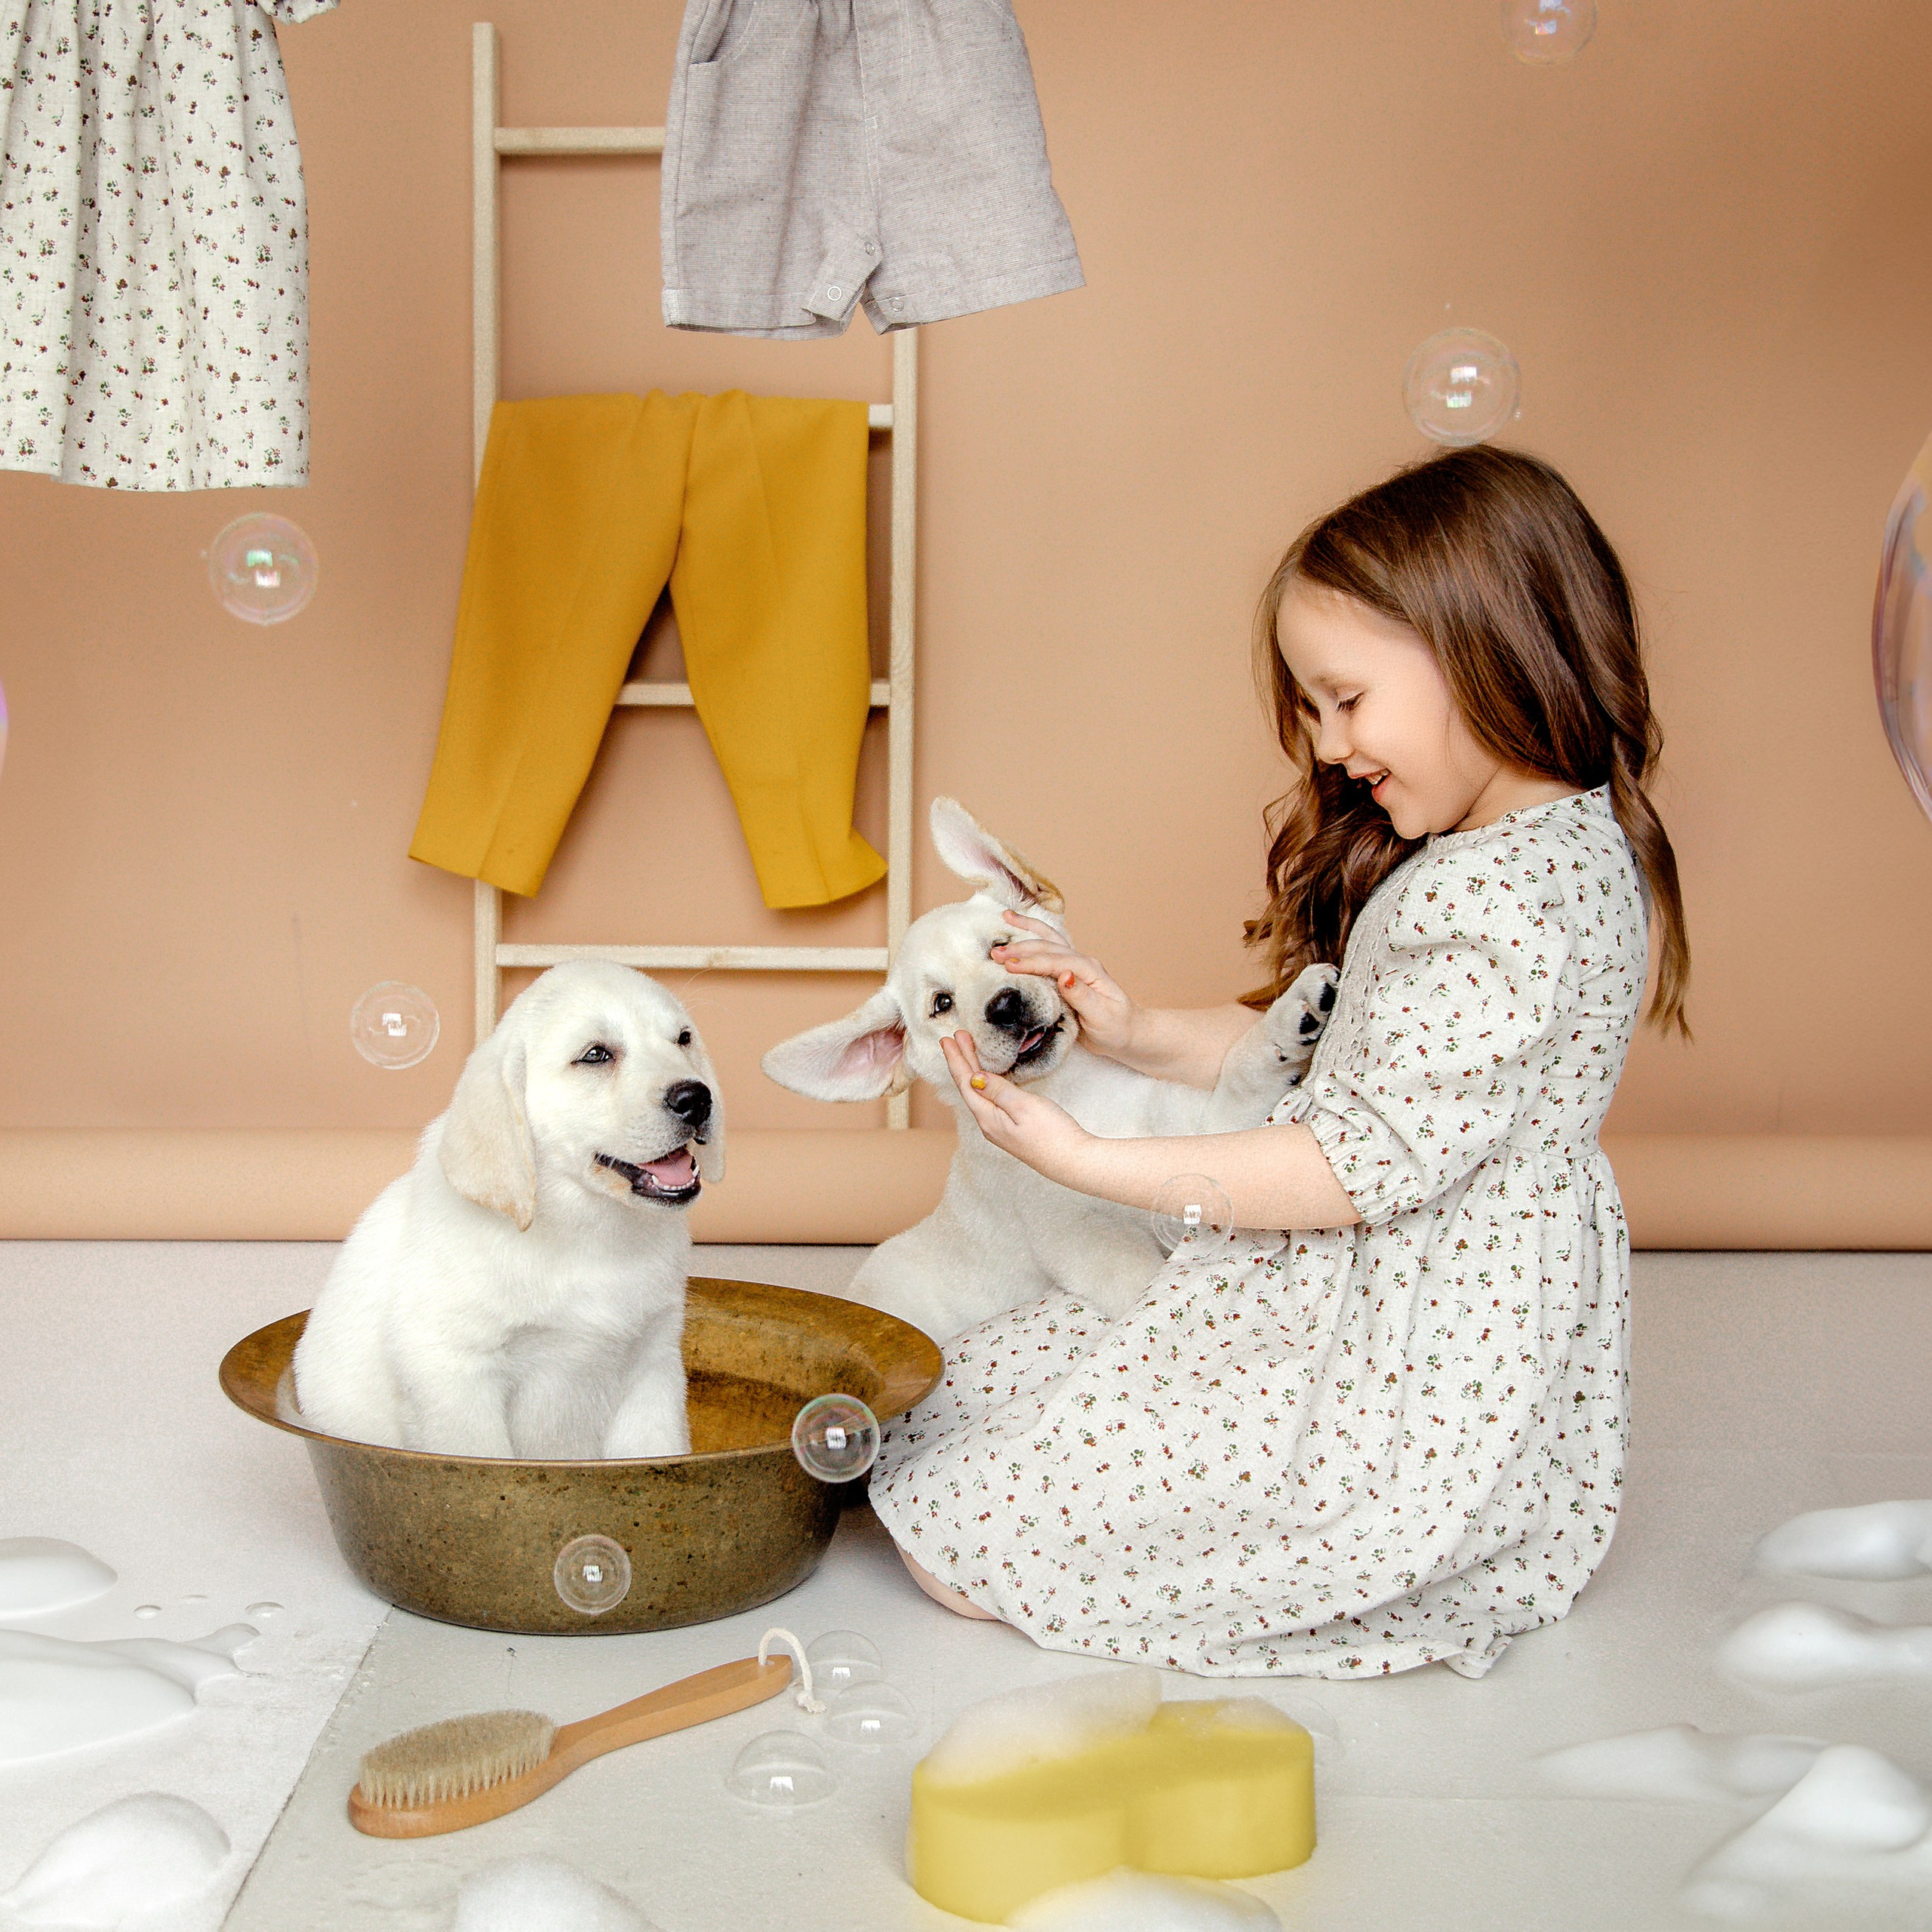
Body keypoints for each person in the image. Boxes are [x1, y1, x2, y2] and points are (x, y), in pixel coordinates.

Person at [869, 444, 1690, 1678]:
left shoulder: (1495, 905)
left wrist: (1090, 1158)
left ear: (1489, 643)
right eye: (1313, 709)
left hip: (1401, 1337)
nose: (1327, 745)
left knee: (955, 1533)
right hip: (1392, 1291)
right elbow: (1362, 1051)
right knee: (969, 1392)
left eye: (1347, 699)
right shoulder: (1538, 850)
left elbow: (1347, 1164)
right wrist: (1137, 1032)